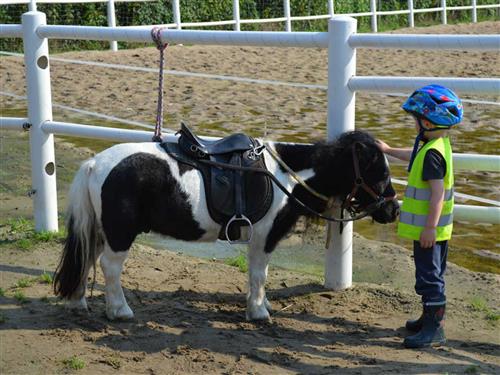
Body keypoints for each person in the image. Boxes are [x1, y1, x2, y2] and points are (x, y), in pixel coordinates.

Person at [376, 84, 463, 349]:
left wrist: (429, 229)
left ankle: (434, 329)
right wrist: (389, 150)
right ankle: (428, 318)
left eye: (415, 120)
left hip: (429, 230)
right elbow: (413, 156)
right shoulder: (436, 144)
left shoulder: (432, 155)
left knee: (429, 277)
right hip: (437, 230)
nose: (414, 125)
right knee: (432, 273)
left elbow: (436, 196)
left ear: (426, 121)